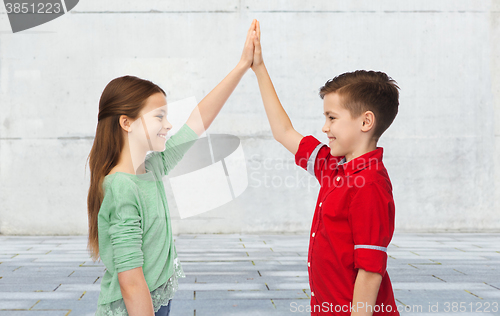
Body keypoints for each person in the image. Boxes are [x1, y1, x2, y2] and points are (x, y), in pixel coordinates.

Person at [86, 20, 258, 316]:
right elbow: (130, 282)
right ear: (126, 122)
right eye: (159, 117)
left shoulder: (152, 166)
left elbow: (197, 121)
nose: (168, 125)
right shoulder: (122, 187)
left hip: (155, 301)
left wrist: (242, 66)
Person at [250, 20, 400, 315]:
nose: (324, 127)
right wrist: (259, 68)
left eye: (332, 118)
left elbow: (370, 271)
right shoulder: (334, 167)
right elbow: (283, 132)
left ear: (365, 122)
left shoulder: (369, 185)